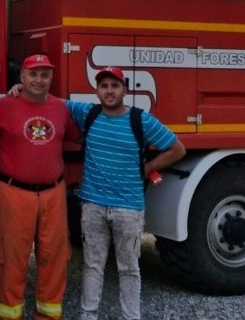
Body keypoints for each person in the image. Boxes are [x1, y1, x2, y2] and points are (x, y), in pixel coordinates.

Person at [65, 66, 186, 320]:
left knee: (129, 268)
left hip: (128, 208)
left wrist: (148, 168)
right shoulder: (88, 113)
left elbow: (177, 149)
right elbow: (52, 102)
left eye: (114, 86)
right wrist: (20, 89)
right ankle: (88, 315)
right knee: (92, 265)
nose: (109, 91)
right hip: (92, 205)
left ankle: (131, 316)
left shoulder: (141, 120)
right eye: (104, 86)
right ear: (97, 91)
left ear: (125, 90)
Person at [0, 54, 80, 320]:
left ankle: (47, 315)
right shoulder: (3, 106)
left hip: (53, 193)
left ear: (51, 78)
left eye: (44, 74)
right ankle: (11, 315)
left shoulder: (61, 108)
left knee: (54, 258)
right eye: (33, 74)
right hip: (13, 193)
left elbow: (75, 136)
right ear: (21, 77)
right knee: (11, 259)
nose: (38, 80)